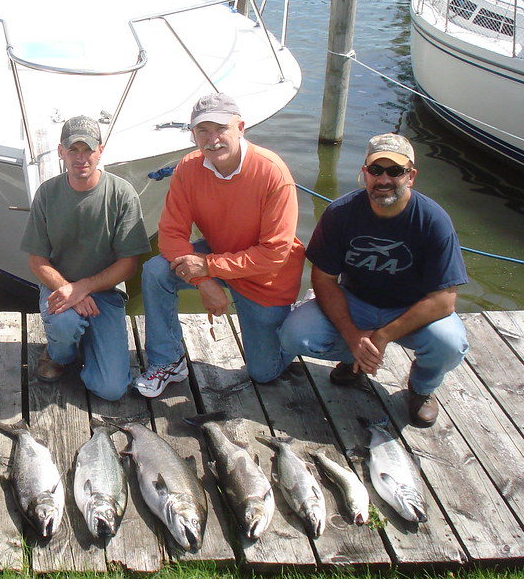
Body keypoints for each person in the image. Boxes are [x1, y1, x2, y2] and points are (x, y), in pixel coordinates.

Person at [280, 133, 469, 428]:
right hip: (357, 301)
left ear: (411, 176)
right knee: (294, 334)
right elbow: (324, 279)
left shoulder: (433, 220)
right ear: (364, 173)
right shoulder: (340, 213)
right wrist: (354, 336)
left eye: (395, 171)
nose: (384, 179)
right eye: (376, 170)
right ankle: (356, 360)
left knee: (450, 343)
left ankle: (422, 390)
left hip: (411, 308)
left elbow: (444, 300)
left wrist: (381, 336)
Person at [135, 93, 305, 396]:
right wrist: (203, 281)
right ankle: (167, 361)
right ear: (193, 134)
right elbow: (170, 235)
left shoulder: (272, 172)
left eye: (220, 128)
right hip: (216, 259)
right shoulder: (188, 168)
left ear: (240, 127)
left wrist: (210, 266)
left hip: (266, 280)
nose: (212, 140)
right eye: (202, 131)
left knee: (263, 373)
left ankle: (296, 318)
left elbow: (275, 253)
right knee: (156, 271)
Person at [20, 116, 151, 400]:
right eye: (73, 149)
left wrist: (85, 288)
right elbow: (36, 259)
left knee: (112, 389)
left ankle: (88, 343)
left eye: (88, 149)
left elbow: (129, 264)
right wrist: (70, 290)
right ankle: (59, 355)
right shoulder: (47, 193)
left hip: (105, 293)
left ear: (100, 151)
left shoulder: (122, 194)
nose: (81, 158)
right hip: (60, 288)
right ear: (60, 151)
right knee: (65, 323)